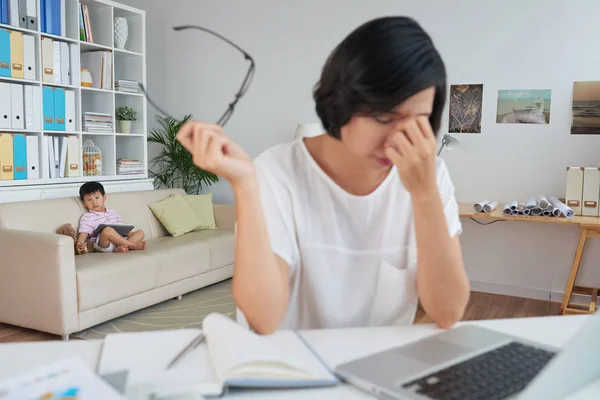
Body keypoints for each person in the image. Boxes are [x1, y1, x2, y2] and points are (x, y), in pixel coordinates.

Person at [176, 16, 469, 334]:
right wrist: (245, 185)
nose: (400, 139)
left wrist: (424, 195)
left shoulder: (431, 176)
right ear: (340, 100)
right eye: (384, 116)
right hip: (292, 369)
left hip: (380, 370)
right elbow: (263, 318)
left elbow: (447, 312)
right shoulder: (277, 173)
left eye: (420, 119)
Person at [76, 182, 146, 253]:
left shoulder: (113, 213)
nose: (94, 202)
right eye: (89, 200)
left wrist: (129, 233)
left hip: (118, 240)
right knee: (107, 230)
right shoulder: (87, 217)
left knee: (140, 232)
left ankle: (120, 247)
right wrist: (80, 243)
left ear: (104, 197)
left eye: (97, 198)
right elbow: (83, 233)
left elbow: (121, 228)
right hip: (103, 243)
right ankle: (132, 245)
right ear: (84, 203)